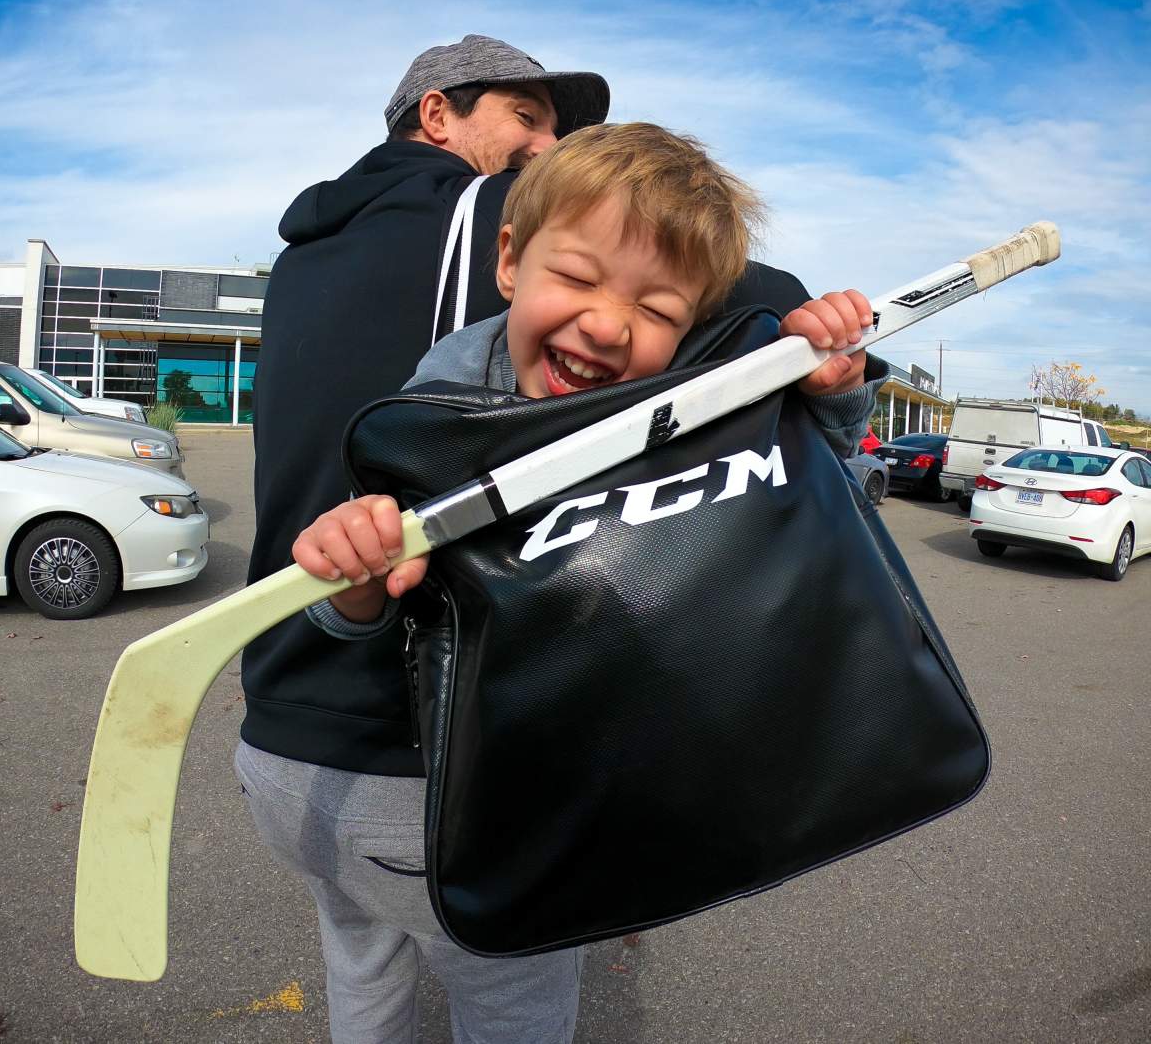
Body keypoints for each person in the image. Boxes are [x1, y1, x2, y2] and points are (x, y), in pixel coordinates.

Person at [263, 123, 887, 1042]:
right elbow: (371, 608)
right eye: (578, 277)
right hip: (471, 793)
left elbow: (804, 482)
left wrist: (828, 386)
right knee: (508, 1006)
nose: (606, 324)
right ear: (509, 260)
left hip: (579, 762)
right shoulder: (439, 411)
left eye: (658, 309)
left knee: (367, 976)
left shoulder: (675, 408)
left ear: (691, 328)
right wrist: (351, 569)